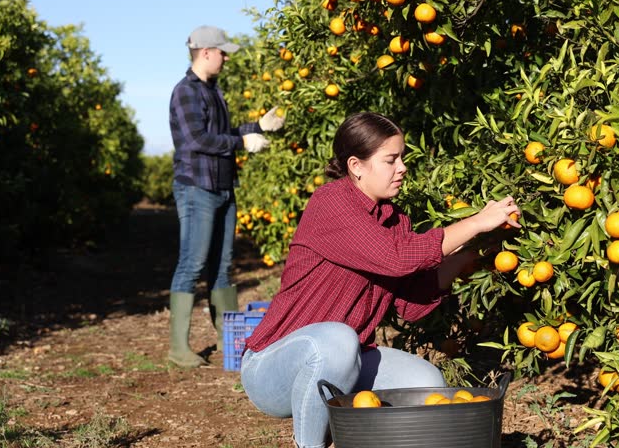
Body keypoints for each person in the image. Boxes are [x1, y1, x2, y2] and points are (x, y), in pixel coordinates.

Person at [240, 112, 520, 448]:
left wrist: (467, 258)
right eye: (391, 160)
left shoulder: (395, 220)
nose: (402, 167)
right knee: (338, 341)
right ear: (356, 166)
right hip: (273, 367)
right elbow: (396, 258)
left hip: (346, 359)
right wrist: (476, 221)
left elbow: (410, 305)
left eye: (402, 158)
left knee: (425, 382)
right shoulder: (331, 202)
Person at [167, 25, 285, 368]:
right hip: (196, 188)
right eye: (222, 51)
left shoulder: (212, 91)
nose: (226, 57)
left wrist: (257, 128)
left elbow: (223, 134)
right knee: (192, 263)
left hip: (221, 187)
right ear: (206, 52)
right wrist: (240, 143)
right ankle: (178, 348)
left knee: (222, 267)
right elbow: (197, 141)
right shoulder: (186, 92)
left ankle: (229, 341)